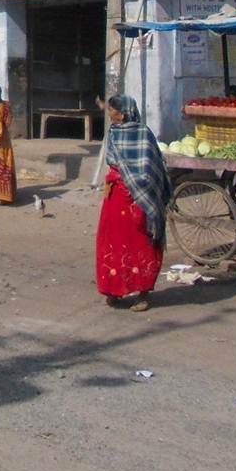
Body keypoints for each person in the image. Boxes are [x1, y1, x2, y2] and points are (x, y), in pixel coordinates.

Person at [97, 94, 172, 312]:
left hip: (140, 199)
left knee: (141, 243)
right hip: (116, 197)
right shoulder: (113, 133)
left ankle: (143, 294)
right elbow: (112, 161)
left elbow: (152, 166)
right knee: (112, 242)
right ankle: (114, 290)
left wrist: (136, 184)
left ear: (122, 113)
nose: (109, 113)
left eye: (112, 110)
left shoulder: (143, 134)